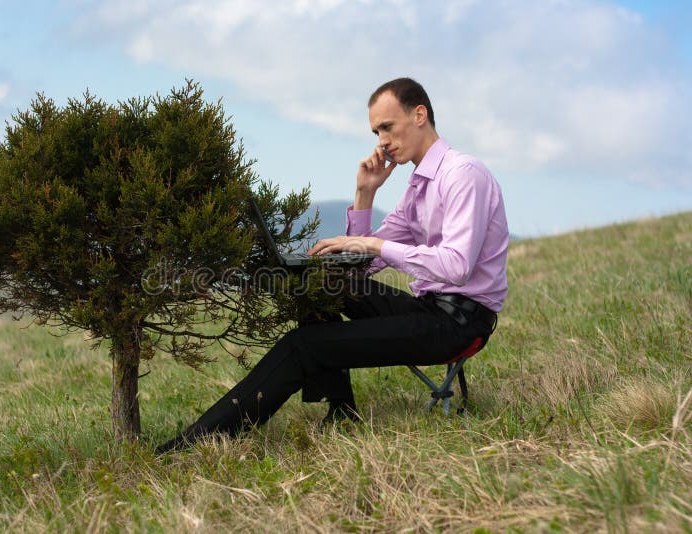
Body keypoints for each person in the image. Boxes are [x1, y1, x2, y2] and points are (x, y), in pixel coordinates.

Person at [156, 77, 508, 453]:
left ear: (419, 114)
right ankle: (341, 409)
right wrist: (365, 193)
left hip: (458, 323)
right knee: (321, 285)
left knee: (303, 345)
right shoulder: (418, 186)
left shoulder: (462, 174)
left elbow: (456, 266)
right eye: (376, 132)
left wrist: (375, 242)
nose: (381, 141)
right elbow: (359, 267)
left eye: (387, 127)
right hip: (429, 309)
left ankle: (197, 443)